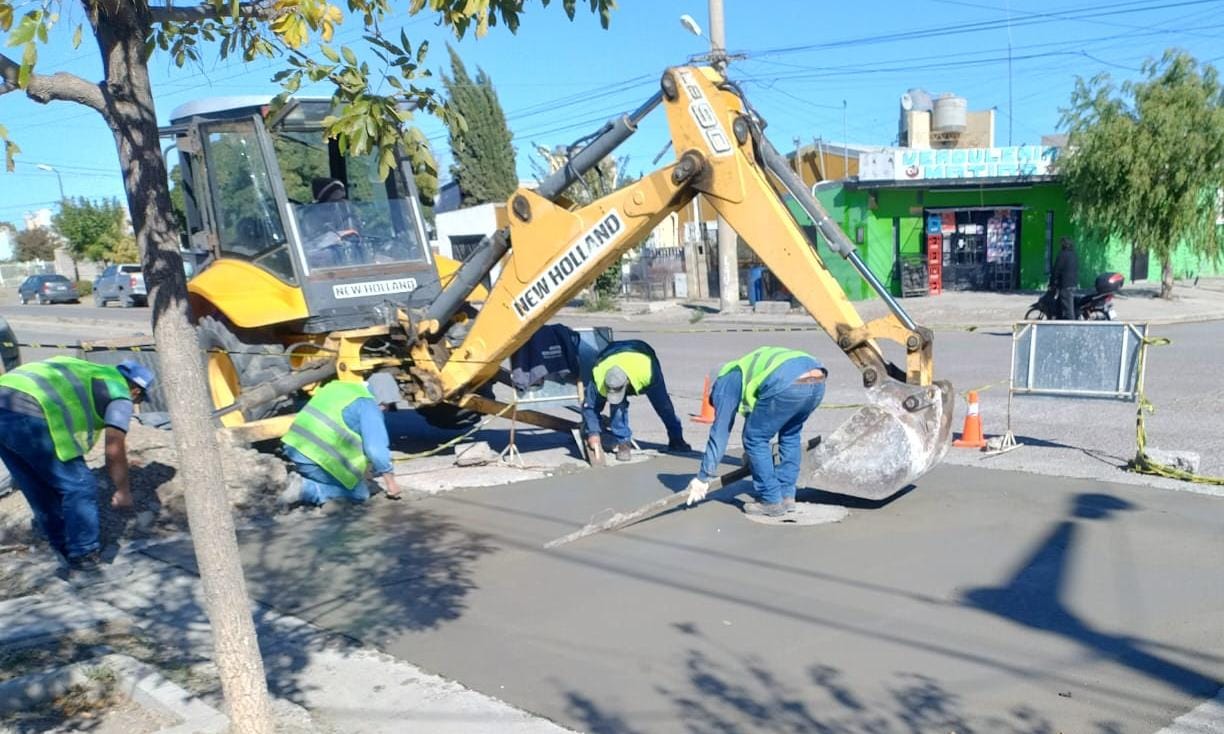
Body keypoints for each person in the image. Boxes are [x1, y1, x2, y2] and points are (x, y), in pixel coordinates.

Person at [0, 356, 155, 571]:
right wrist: (122, 491)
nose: (134, 404)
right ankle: (84, 554)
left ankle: (63, 549)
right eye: (137, 400)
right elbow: (114, 447)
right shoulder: (120, 394)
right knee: (80, 485)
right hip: (30, 410)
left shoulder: (91, 370)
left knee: (37, 485)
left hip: (5, 400)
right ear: (135, 390)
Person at [684, 347, 827, 517]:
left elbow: (720, 433)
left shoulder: (724, 382)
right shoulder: (744, 371)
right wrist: (752, 460)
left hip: (787, 380)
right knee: (790, 434)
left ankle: (771, 500)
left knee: (755, 439)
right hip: (817, 378)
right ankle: (787, 495)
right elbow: (760, 416)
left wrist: (703, 477)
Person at [279, 373, 402, 507]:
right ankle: (305, 489)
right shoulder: (368, 405)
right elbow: (375, 450)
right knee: (360, 494)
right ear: (382, 399)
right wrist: (391, 483)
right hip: (315, 460)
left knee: (354, 480)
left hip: (293, 447)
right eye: (387, 405)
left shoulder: (338, 387)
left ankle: (303, 479)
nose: (386, 409)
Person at [582, 339, 690, 463]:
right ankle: (623, 443)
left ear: (627, 383)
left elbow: (662, 401)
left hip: (640, 351)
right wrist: (593, 433)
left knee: (663, 405)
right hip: (609, 354)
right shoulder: (598, 377)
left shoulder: (647, 371)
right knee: (617, 407)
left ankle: (677, 439)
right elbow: (590, 406)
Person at [1050, 237, 1079, 320]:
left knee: (1068, 308)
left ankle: (1072, 327)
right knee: (1062, 304)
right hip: (1073, 283)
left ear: (1064, 245)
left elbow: (1056, 270)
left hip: (1065, 285)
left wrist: (1052, 282)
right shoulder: (1073, 255)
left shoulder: (1062, 255)